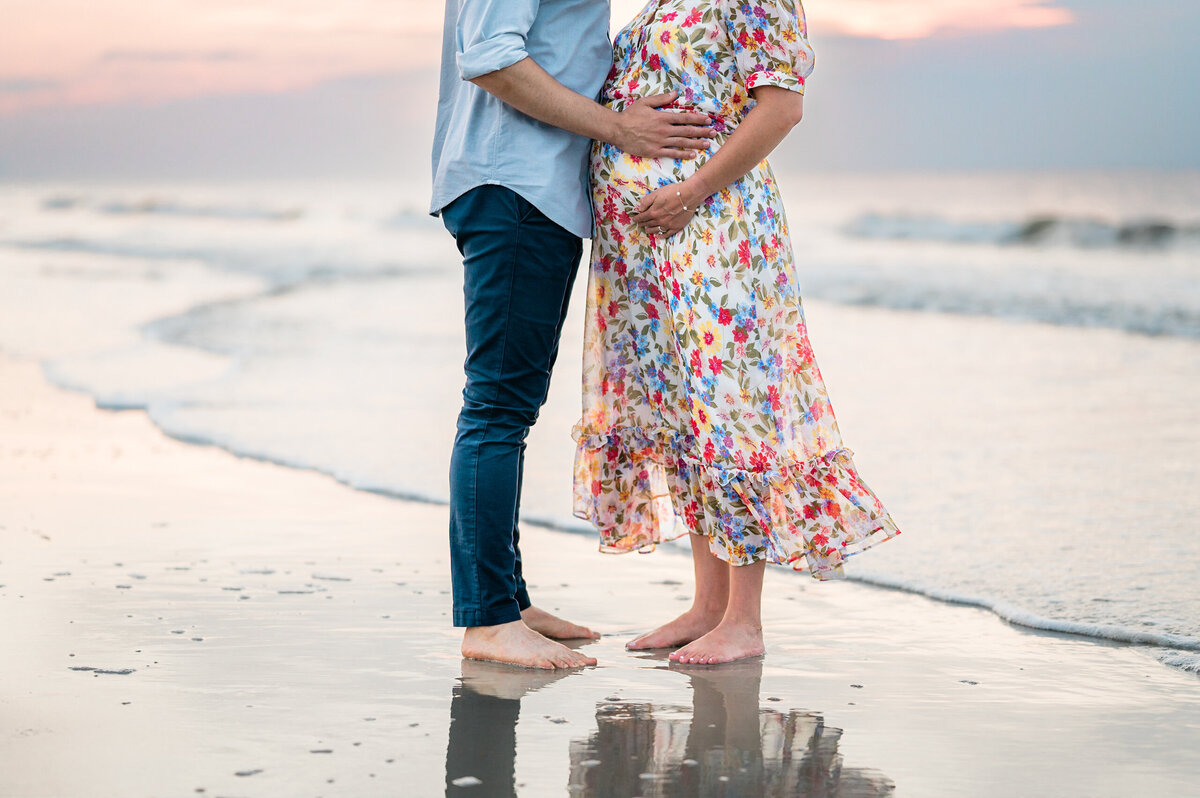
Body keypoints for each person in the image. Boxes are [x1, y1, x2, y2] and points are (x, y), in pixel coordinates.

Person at [571, 0, 903, 665]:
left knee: (731, 412)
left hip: (715, 232)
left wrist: (691, 189)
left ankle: (744, 620)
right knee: (686, 413)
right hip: (649, 247)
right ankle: (707, 605)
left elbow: (782, 108)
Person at [430, 0, 717, 670]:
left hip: (527, 191)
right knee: (498, 408)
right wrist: (623, 130)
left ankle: (505, 599)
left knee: (509, 408)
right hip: (516, 189)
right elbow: (493, 58)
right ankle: (488, 620)